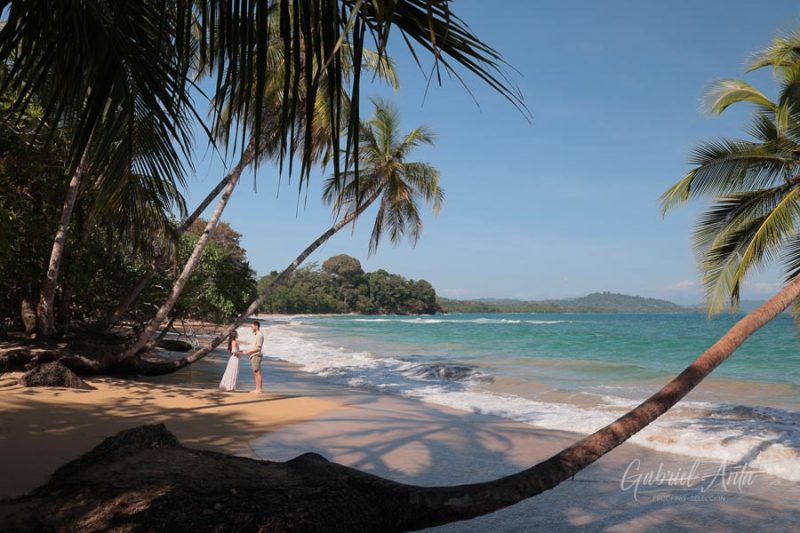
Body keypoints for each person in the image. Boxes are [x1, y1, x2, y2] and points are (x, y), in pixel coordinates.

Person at [242, 320, 264, 393]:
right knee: (255, 372)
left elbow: (259, 348)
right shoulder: (256, 334)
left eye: (252, 327)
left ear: (256, 326)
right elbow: (254, 346)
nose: (251, 328)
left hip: (256, 355)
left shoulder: (259, 335)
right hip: (253, 355)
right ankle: (257, 388)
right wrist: (248, 351)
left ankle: (259, 389)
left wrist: (249, 351)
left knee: (257, 372)